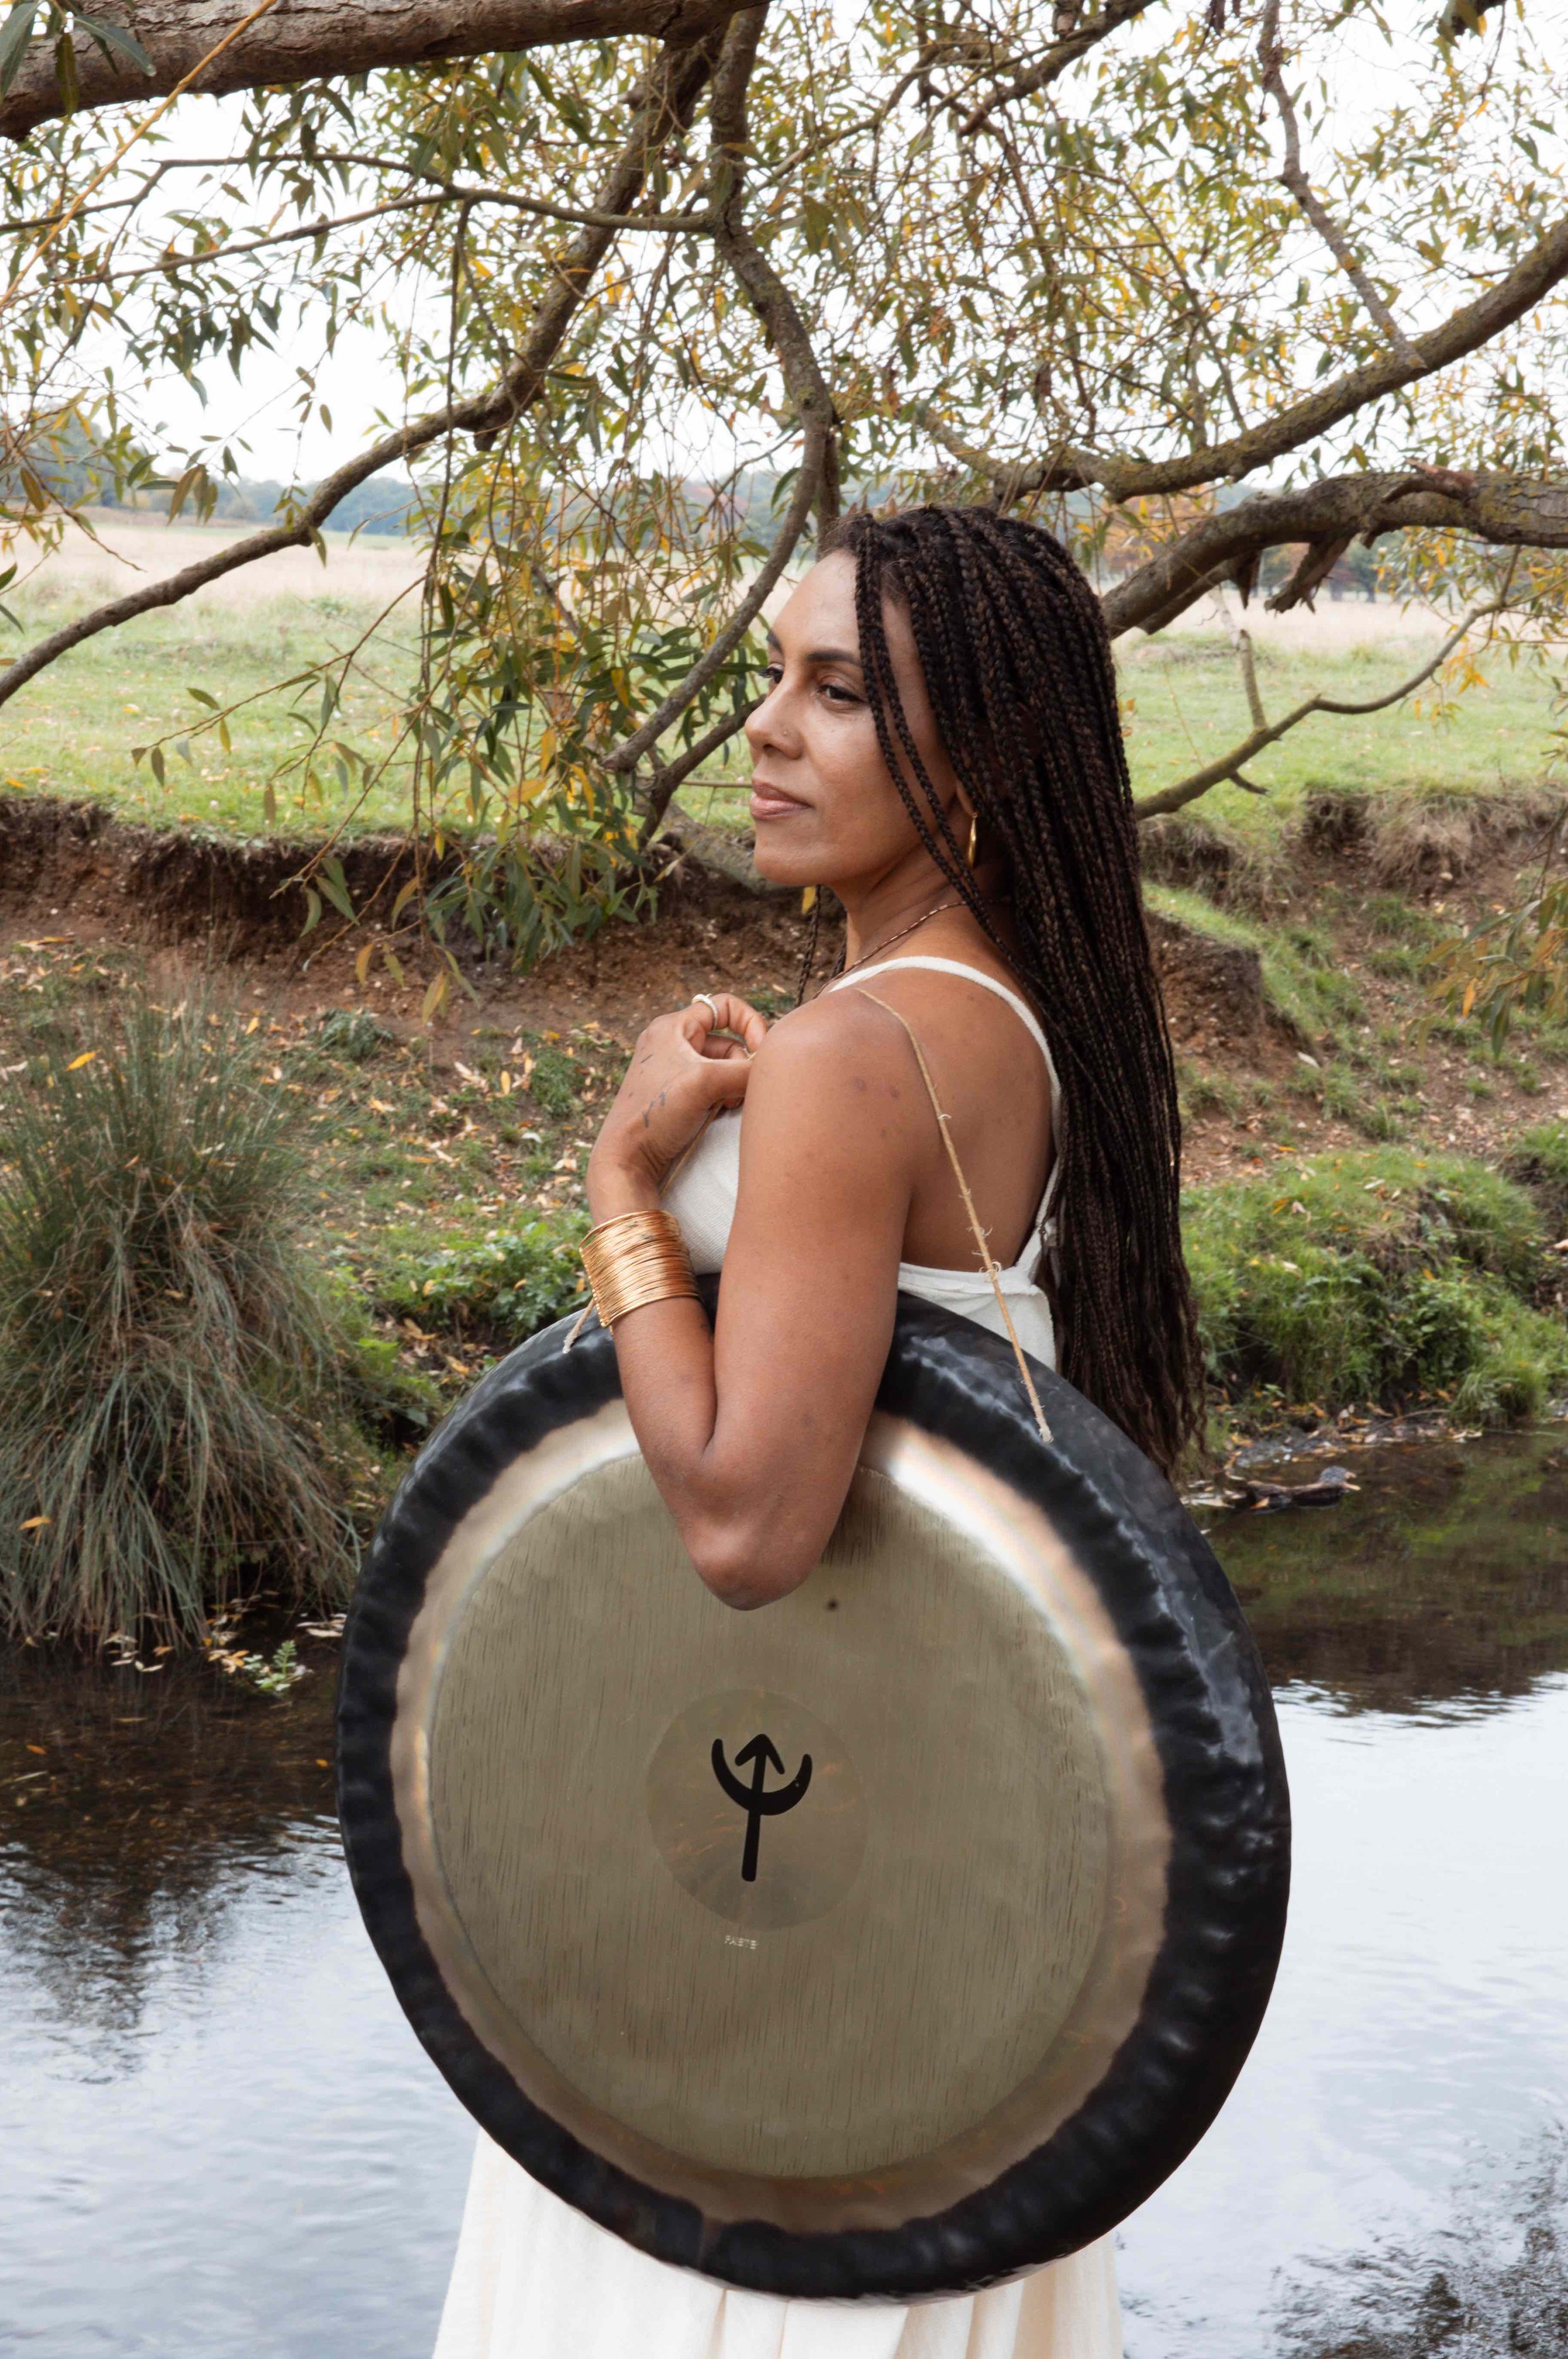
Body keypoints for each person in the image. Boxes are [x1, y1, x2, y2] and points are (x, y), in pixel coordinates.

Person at [433, 503, 1203, 2359]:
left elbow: (741, 1524)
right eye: (776, 674)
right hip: (916, 1883)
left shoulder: (855, 1054)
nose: (766, 727)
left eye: (838, 690)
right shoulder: (1020, 1022)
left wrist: (623, 1186)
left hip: (757, 1920)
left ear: (987, 748)